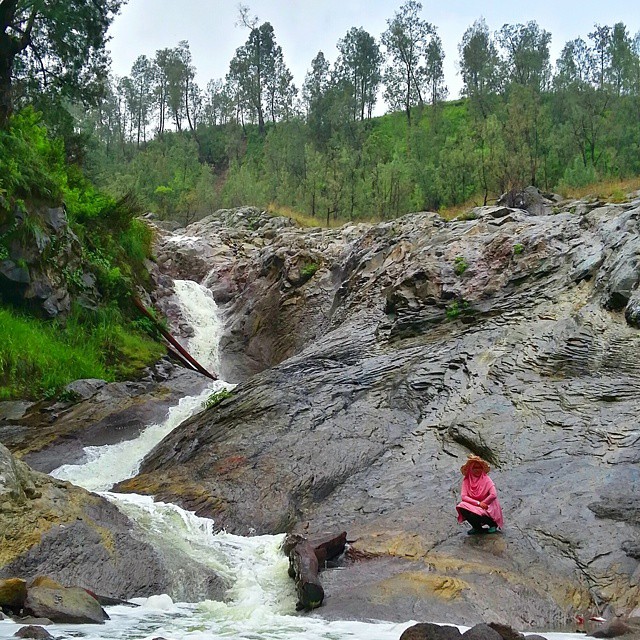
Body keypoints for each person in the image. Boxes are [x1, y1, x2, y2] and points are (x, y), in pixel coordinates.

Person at [456, 454, 504, 535]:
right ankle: (477, 527)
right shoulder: (467, 480)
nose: (477, 470)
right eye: (475, 468)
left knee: (475, 511)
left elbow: (493, 494)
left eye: (479, 467)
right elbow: (464, 496)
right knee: (462, 506)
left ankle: (492, 524)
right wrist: (478, 503)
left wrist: (484, 503)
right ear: (471, 469)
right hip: (476, 505)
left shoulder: (486, 479)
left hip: (488, 506)